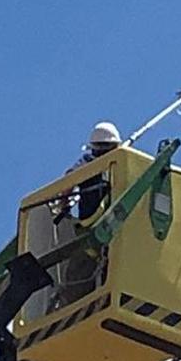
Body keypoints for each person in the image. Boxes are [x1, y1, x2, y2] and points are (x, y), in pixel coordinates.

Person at [57, 122, 121, 307]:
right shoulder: (112, 161)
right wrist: (63, 204)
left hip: (104, 218)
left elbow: (67, 184)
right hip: (103, 218)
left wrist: (63, 206)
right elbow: (68, 183)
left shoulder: (92, 162)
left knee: (83, 265)